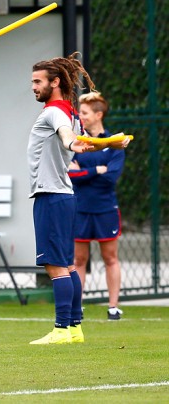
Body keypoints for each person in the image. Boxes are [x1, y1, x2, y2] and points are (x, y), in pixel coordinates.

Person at [27, 53, 129, 345]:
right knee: (69, 264)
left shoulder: (56, 113)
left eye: (38, 81)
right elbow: (84, 140)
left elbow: (69, 137)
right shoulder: (71, 113)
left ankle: (61, 329)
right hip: (65, 196)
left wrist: (71, 143)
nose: (33, 87)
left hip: (52, 195)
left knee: (56, 264)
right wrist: (112, 141)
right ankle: (74, 328)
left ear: (55, 82)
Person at [68, 92, 125, 320]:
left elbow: (111, 177)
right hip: (80, 208)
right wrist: (96, 170)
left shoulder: (114, 143)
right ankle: (77, 307)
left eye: (84, 113)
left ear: (98, 114)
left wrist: (84, 173)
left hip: (105, 208)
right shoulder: (78, 144)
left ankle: (113, 307)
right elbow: (70, 175)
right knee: (78, 260)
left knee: (110, 258)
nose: (80, 117)